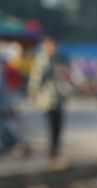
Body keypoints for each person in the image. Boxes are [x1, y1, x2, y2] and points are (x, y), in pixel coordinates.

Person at [28, 37, 69, 169]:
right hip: (48, 99)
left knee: (58, 127)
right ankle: (53, 154)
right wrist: (33, 94)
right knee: (52, 128)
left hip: (57, 98)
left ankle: (56, 152)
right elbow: (36, 79)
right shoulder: (42, 60)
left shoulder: (56, 59)